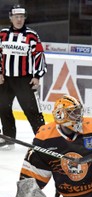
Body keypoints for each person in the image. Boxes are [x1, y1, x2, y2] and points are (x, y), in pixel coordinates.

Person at [0, 4, 47, 151]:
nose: (19, 19)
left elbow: (39, 55)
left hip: (24, 80)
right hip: (5, 79)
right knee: (3, 109)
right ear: (11, 18)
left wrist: (37, 76)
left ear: (25, 18)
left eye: (21, 17)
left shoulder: (31, 35)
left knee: (32, 110)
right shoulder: (2, 34)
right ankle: (9, 139)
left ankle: (44, 140)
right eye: (16, 17)